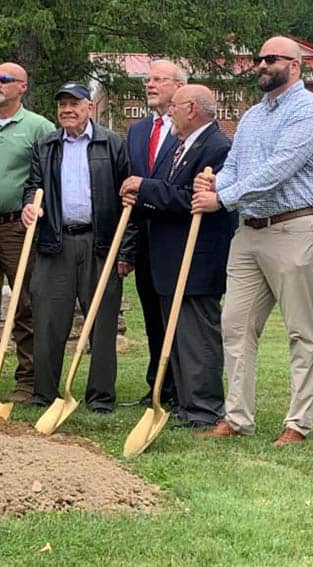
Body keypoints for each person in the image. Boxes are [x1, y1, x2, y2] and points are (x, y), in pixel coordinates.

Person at [192, 36, 313, 446]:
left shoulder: (310, 111)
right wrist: (215, 185)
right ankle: (237, 418)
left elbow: (279, 168)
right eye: (258, 59)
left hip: (298, 228)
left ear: (296, 66)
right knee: (235, 326)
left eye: (271, 59)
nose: (261, 64)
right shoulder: (252, 116)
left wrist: (222, 197)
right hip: (250, 232)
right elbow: (235, 166)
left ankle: (298, 423)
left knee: (300, 331)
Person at [121, 85, 233, 428]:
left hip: (197, 258)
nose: (168, 112)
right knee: (177, 335)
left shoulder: (216, 147)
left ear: (193, 109)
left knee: (197, 335)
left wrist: (146, 188)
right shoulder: (179, 146)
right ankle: (186, 404)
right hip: (168, 258)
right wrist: (141, 195)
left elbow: (192, 199)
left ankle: (205, 408)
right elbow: (166, 190)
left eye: (175, 106)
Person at [22, 82, 133, 412]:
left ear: (89, 107)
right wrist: (31, 204)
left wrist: (125, 250)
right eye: (62, 105)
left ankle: (100, 398)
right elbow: (33, 187)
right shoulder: (46, 146)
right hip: (54, 243)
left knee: (101, 321)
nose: (67, 110)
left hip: (100, 244)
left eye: (74, 104)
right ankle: (44, 394)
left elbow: (129, 199)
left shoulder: (112, 144)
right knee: (48, 321)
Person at [0, 62, 56, 402]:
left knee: (26, 305)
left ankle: (27, 379)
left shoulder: (38, 127)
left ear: (22, 86)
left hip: (18, 229)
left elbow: (49, 175)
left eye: (5, 80)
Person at [123, 59, 186, 408]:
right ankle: (157, 386)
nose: (150, 85)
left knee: (172, 314)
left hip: (174, 237)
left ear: (178, 86)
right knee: (150, 316)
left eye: (159, 79)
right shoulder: (136, 131)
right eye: (148, 80)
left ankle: (179, 387)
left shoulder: (188, 131)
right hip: (144, 238)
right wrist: (127, 250)